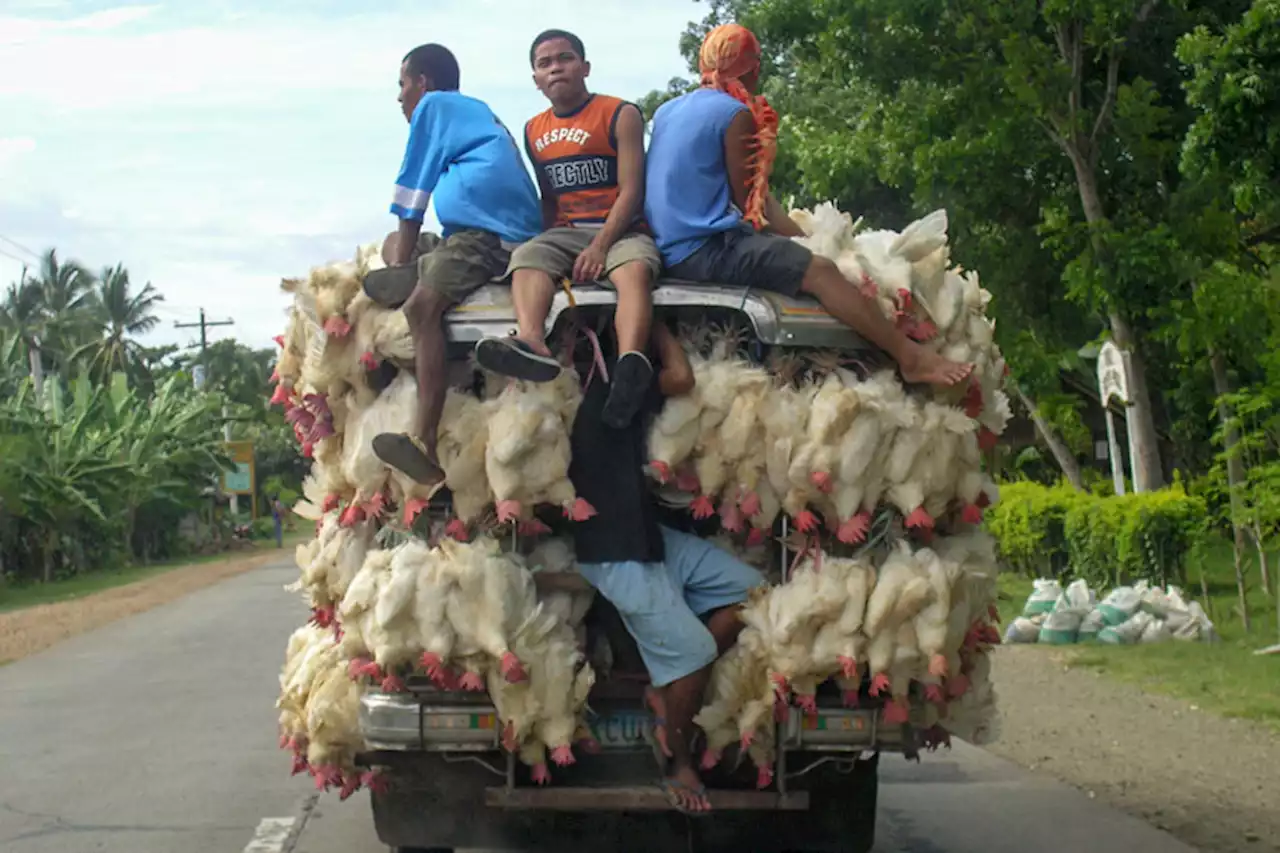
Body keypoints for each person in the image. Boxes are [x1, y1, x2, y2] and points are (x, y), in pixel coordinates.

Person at [644, 24, 972, 388]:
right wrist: (813, 245)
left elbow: (744, 196)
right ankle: (910, 357)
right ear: (753, 69)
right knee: (820, 271)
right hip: (702, 251)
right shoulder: (735, 114)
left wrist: (800, 234)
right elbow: (753, 210)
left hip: (665, 246)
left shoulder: (668, 110)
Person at [569, 320, 765, 814]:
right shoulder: (602, 385)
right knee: (697, 653)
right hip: (615, 552)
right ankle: (676, 757)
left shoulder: (620, 387)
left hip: (650, 538)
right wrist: (654, 327)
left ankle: (667, 689)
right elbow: (681, 376)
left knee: (754, 593)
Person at [363, 43, 543, 487]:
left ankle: (423, 437)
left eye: (402, 85)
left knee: (421, 310)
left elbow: (411, 194)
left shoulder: (434, 106)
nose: (400, 97)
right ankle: (408, 272)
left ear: (422, 83)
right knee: (393, 244)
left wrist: (406, 255)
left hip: (486, 238)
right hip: (466, 234)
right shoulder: (473, 111)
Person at [475, 29, 662, 429]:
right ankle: (530, 341)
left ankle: (631, 363)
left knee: (634, 271)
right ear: (536, 80)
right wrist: (544, 242)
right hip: (567, 230)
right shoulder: (534, 130)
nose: (556, 68)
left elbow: (633, 189)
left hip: (621, 228)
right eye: (545, 64)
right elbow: (549, 198)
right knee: (527, 258)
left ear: (585, 67)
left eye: (565, 58)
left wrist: (600, 246)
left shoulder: (620, 113)